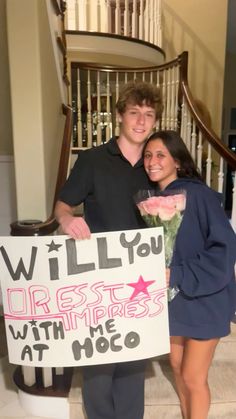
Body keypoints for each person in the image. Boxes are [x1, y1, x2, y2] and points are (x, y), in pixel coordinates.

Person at [54, 80, 163, 419]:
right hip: (97, 282)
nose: (141, 122)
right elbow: (62, 206)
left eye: (149, 115)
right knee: (99, 370)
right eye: (134, 113)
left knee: (133, 366)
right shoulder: (91, 160)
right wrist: (67, 221)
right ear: (119, 115)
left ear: (156, 121)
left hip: (141, 282)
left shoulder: (157, 166)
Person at [142, 130, 236, 419]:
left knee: (194, 377)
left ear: (178, 162)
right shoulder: (151, 202)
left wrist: (179, 273)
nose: (152, 161)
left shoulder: (198, 194)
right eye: (147, 155)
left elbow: (224, 247)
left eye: (160, 155)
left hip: (206, 296)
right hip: (174, 298)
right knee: (177, 366)